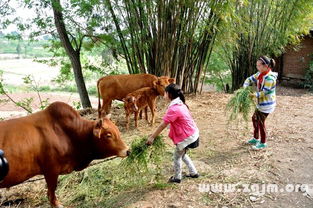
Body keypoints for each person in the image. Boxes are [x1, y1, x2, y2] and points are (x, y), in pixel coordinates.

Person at [146, 83, 199, 183]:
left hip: (187, 137)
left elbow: (163, 125)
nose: (163, 94)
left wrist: (152, 137)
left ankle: (177, 178)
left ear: (169, 94)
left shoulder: (174, 108)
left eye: (165, 92)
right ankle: (193, 172)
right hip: (192, 133)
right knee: (182, 154)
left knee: (177, 157)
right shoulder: (180, 104)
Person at [243, 55, 278, 150]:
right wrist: (245, 87)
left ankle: (263, 142)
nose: (257, 67)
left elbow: (264, 93)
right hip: (260, 104)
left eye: (259, 65)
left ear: (266, 66)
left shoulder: (270, 78)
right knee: (254, 118)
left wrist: (253, 95)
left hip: (267, 104)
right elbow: (249, 79)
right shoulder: (260, 74)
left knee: (261, 122)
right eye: (257, 65)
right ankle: (255, 138)